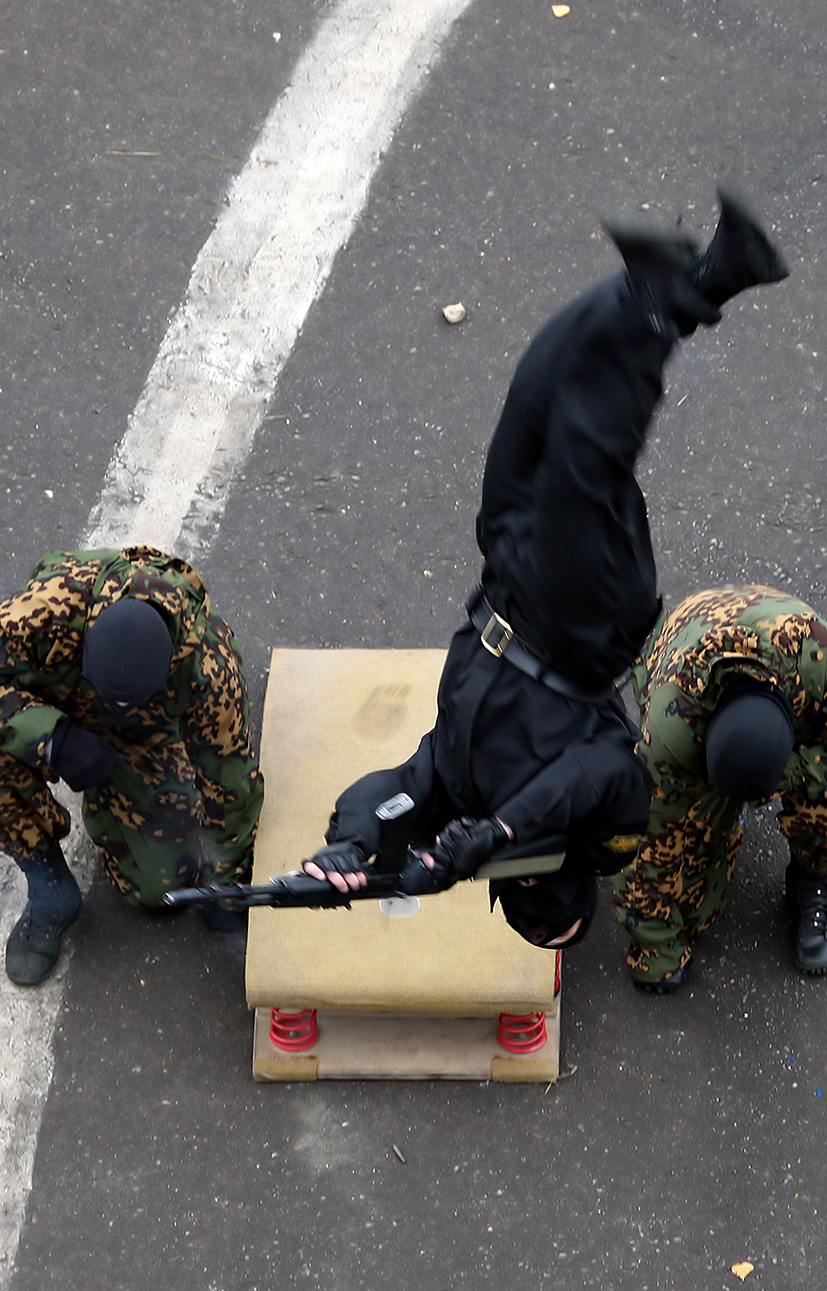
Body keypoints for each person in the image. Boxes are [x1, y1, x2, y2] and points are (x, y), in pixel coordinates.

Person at [303, 190, 790, 946]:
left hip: (505, 585)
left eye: (517, 886)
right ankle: (664, 299)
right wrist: (500, 834)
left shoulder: (462, 795)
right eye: (539, 881)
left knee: (537, 391)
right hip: (583, 627)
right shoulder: (607, 830)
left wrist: (352, 844)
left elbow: (399, 787)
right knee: (583, 453)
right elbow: (591, 777)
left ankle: (700, 278)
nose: (525, 875)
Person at [0, 545, 263, 984]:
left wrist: (227, 882)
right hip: (61, 702)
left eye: (131, 699)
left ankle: (109, 796)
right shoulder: (51, 608)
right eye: (110, 694)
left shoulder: (207, 669)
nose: (117, 704)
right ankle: (50, 890)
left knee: (160, 891)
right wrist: (56, 738)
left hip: (143, 741)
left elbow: (231, 784)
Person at [608, 584, 827, 992]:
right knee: (695, 906)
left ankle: (811, 878)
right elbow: (643, 842)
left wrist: (797, 772)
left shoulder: (823, 663)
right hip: (687, 635)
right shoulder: (669, 731)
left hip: (782, 657)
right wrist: (656, 951)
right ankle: (715, 818)